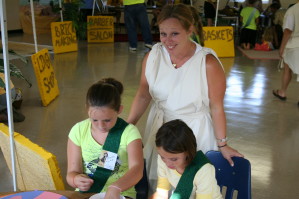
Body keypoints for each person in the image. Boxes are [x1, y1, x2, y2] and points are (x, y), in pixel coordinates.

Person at [127, 3, 243, 187]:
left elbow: (216, 106)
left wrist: (222, 145)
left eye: (174, 34)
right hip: (160, 128)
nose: (167, 40)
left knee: (192, 184)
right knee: (161, 185)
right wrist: (127, 127)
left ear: (190, 30)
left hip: (195, 132)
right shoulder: (153, 56)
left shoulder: (207, 63)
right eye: (163, 34)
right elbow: (143, 94)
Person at [66, 78, 144, 199]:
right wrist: (76, 180)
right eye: (95, 120)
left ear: (119, 110)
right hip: (87, 194)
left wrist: (115, 187)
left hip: (121, 194)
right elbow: (71, 173)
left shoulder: (129, 132)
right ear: (87, 110)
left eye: (107, 120)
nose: (101, 126)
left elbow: (137, 170)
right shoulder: (78, 131)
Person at [150, 119, 222, 199]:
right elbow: (161, 193)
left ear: (188, 152)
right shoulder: (163, 160)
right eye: (162, 157)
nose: (167, 163)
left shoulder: (204, 170)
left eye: (174, 159)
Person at [272, 1, 299, 106]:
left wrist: (281, 47)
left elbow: (288, 31)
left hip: (294, 45)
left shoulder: (292, 10)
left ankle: (282, 92)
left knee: (287, 70)